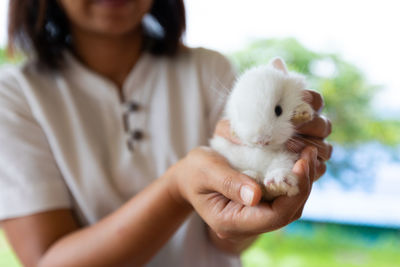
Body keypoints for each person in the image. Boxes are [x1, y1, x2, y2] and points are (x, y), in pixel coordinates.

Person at [0, 0, 332, 266]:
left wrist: (265, 187)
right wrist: (177, 189)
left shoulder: (210, 70)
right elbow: (47, 260)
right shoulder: (13, 96)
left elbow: (227, 238)